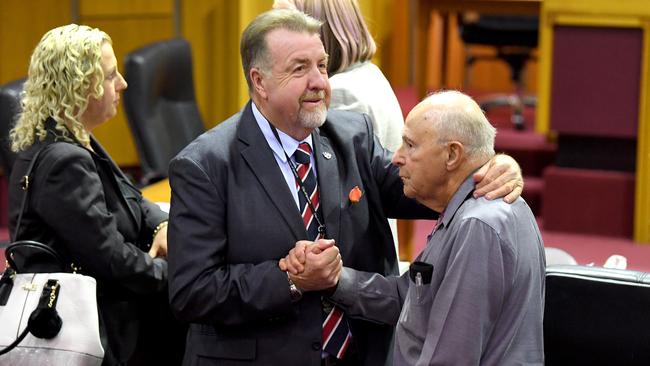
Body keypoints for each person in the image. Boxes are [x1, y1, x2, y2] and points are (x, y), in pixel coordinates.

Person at [167, 9, 523, 366]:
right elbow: (191, 292)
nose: (319, 82)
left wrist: (488, 165)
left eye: (322, 66)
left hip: (360, 353)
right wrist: (289, 279)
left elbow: (427, 184)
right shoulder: (205, 165)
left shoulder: (351, 135)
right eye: (299, 68)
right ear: (259, 81)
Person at [282, 90, 546, 365]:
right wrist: (335, 279)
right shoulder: (476, 211)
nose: (396, 157)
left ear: (452, 154)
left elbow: (450, 358)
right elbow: (411, 298)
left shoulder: (477, 226)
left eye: (410, 145)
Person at [8, 24, 183, 366]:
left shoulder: (69, 135)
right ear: (79, 88)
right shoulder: (64, 161)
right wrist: (178, 274)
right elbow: (112, 260)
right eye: (110, 76)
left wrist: (162, 226)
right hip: (95, 326)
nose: (123, 84)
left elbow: (132, 198)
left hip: (110, 299)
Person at [273, 0, 406, 257]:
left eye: (285, 23)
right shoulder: (369, 73)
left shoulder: (340, 93)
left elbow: (331, 201)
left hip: (348, 261)